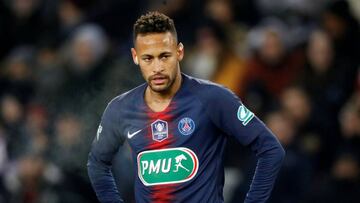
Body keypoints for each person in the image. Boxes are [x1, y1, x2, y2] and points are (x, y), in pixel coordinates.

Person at [87, 11, 285, 203]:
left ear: (179, 52)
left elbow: (271, 149)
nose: (157, 68)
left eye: (164, 56)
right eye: (148, 58)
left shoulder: (213, 98)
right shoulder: (121, 108)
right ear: (135, 56)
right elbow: (97, 163)